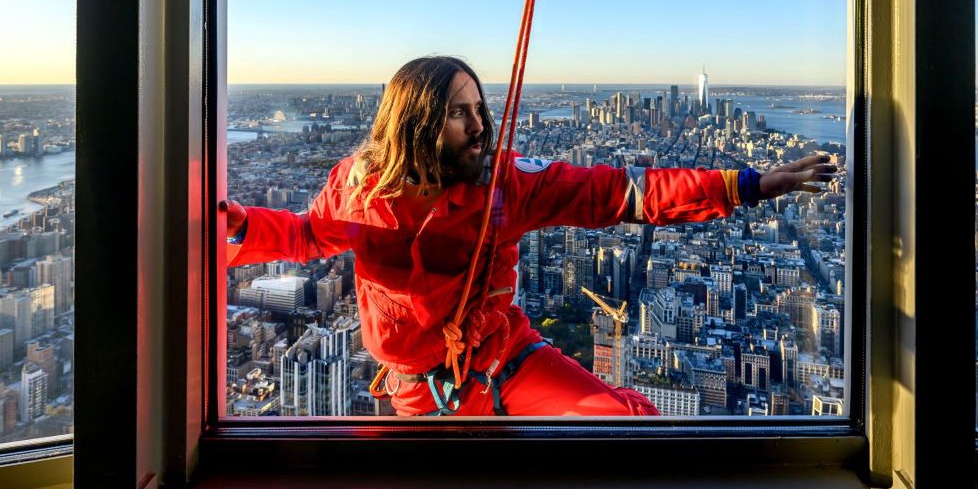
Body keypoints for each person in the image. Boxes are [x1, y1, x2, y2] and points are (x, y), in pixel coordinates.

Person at [222, 55, 836, 417]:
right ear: (416, 123)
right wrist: (229, 229)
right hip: (416, 394)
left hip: (503, 362)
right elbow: (306, 235)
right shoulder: (361, 186)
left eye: (478, 108)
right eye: (459, 113)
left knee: (630, 425)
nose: (480, 125)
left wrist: (747, 183)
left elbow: (621, 193)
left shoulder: (504, 185)